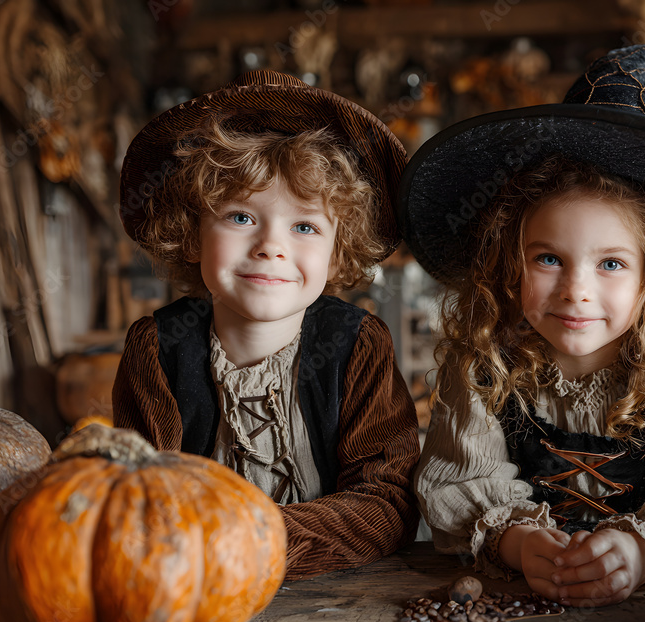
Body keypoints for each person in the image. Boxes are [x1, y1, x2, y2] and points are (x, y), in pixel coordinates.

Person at [400, 44, 645, 606]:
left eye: (611, 264)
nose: (576, 290)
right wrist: (516, 542)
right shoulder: (484, 364)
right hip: (515, 614)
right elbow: (457, 485)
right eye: (548, 259)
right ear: (507, 265)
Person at [112, 70, 421, 579]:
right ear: (191, 234)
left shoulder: (358, 346)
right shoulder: (157, 350)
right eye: (239, 217)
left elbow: (388, 504)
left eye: (304, 226)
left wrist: (250, 541)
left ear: (337, 249)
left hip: (339, 598)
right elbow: (136, 495)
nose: (270, 246)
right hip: (184, 586)